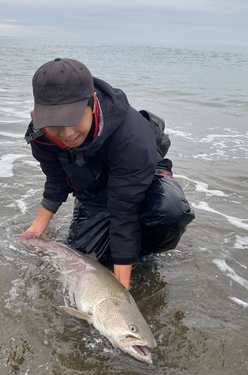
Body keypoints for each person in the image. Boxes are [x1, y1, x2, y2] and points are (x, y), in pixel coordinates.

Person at [22, 58, 195, 290]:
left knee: (168, 212)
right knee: (82, 267)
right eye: (55, 124)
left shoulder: (132, 136)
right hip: (93, 189)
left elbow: (124, 210)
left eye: (73, 120)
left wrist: (120, 287)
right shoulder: (41, 133)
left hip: (139, 181)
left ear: (92, 103)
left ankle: (140, 253)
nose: (67, 133)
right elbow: (57, 179)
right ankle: (119, 248)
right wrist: (36, 229)